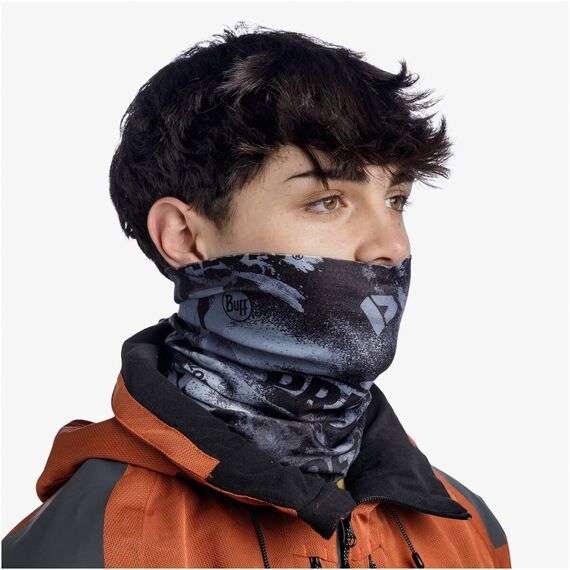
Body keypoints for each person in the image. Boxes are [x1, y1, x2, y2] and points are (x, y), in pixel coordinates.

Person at [2, 23, 512, 568]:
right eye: (327, 201)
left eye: (396, 200)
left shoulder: (465, 526)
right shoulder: (97, 543)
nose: (392, 245)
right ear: (183, 236)